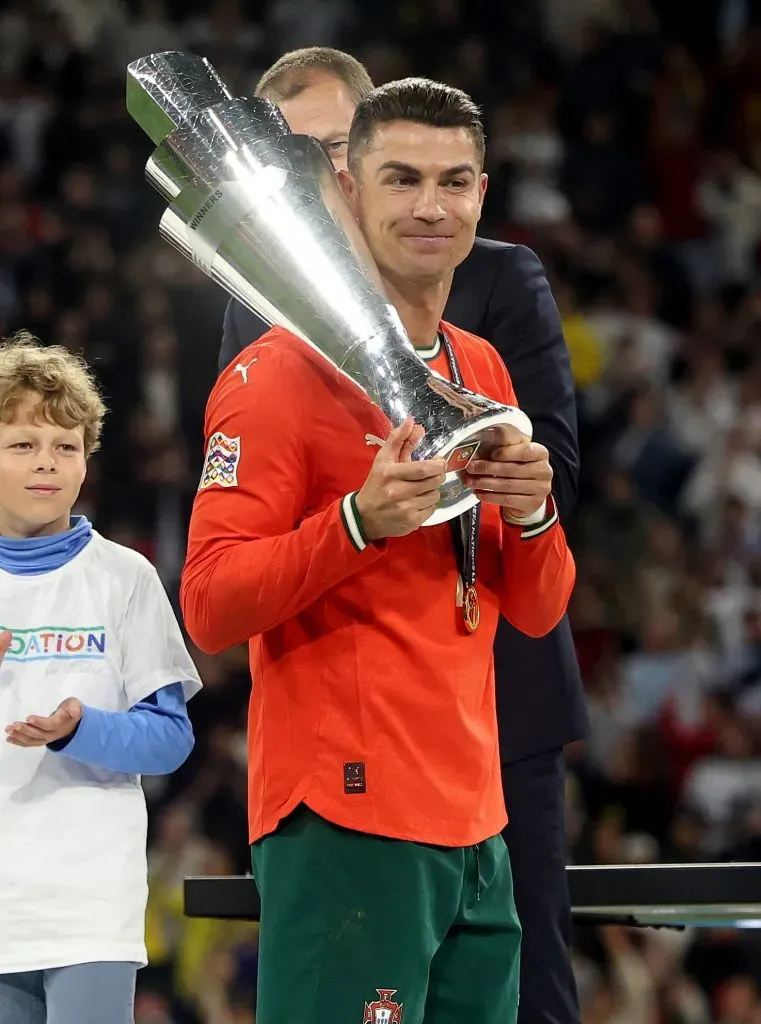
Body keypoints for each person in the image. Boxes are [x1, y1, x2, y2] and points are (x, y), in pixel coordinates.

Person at [182, 77, 576, 1024]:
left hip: (478, 819)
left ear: (484, 194)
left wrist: (532, 515)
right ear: (348, 192)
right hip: (346, 813)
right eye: (399, 179)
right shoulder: (275, 373)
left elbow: (534, 606)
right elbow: (209, 601)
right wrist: (354, 526)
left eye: (453, 181)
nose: (429, 207)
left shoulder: (478, 365)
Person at [0, 333, 202, 1024]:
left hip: (88, 905)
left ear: (89, 458)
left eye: (65, 446)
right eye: (22, 444)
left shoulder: (125, 577)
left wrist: (81, 728)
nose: (46, 464)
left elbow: (170, 740)